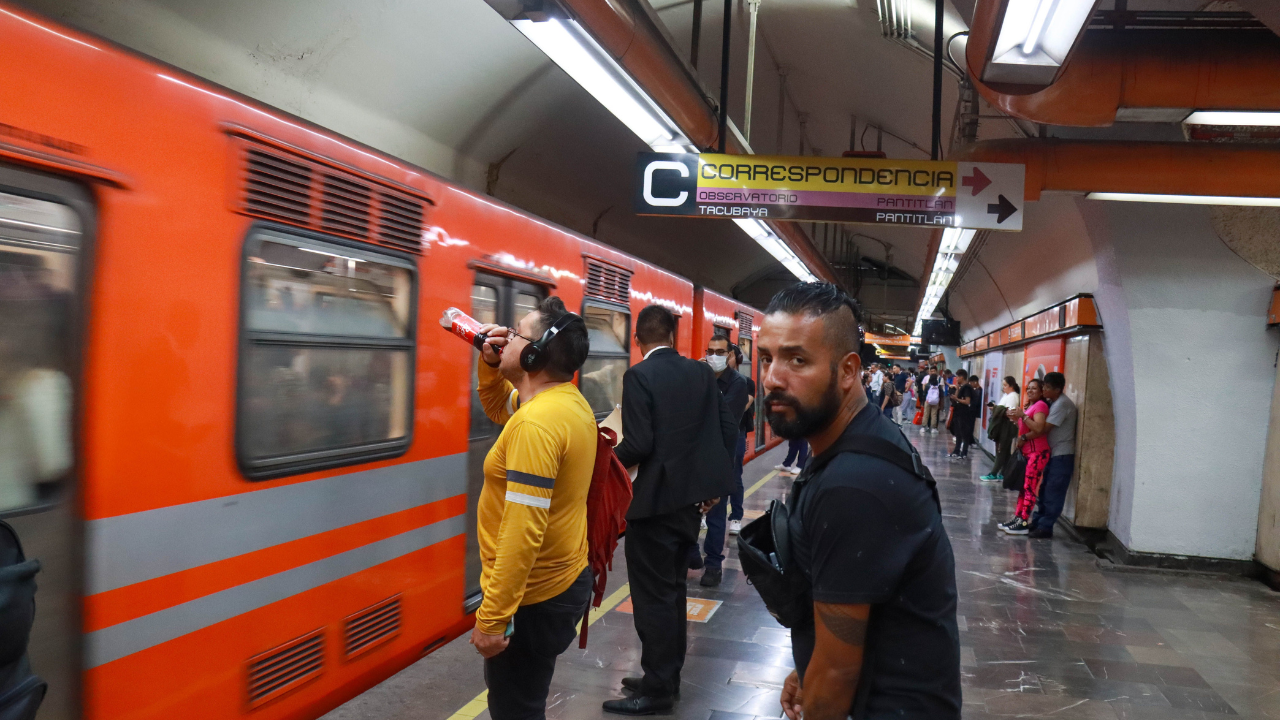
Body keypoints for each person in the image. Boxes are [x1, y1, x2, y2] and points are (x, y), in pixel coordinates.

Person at [756, 282, 960, 720]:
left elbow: (838, 671)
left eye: (797, 360)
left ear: (848, 371)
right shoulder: (861, 444)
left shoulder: (853, 485)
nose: (773, 378)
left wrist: (821, 671)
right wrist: (812, 662)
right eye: (766, 359)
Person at [605, 305, 736, 714]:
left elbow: (639, 445)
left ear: (637, 339)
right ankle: (665, 676)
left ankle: (658, 690)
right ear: (674, 338)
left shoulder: (639, 376)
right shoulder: (700, 373)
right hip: (688, 509)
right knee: (674, 593)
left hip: (654, 507)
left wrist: (602, 459)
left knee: (653, 600)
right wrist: (714, 487)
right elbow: (727, 428)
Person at [470, 297, 596, 720]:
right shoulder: (566, 401)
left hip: (533, 598)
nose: (504, 336)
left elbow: (522, 530)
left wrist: (493, 617)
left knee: (515, 709)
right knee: (525, 702)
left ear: (533, 353)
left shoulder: (535, 425)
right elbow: (496, 408)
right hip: (561, 580)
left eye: (517, 331)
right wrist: (490, 366)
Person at [692, 334, 750, 586]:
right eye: (710, 350)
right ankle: (691, 553)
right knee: (691, 509)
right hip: (695, 454)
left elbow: (721, 418)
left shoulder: (738, 383)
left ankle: (714, 564)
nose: (713, 356)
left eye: (719, 352)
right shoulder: (699, 378)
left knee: (715, 512)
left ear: (728, 356)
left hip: (720, 457)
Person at [1029, 373, 1078, 539]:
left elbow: (1042, 428)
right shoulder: (1053, 403)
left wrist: (1024, 422)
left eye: (1047, 388)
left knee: (1053, 491)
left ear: (1057, 389)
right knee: (1044, 490)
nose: (1044, 390)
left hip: (1062, 455)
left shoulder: (1062, 404)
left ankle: (1045, 526)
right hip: (1053, 454)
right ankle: (1038, 521)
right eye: (1043, 386)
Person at [999, 378, 1051, 536]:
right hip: (1028, 453)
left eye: (1034, 388)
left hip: (1038, 453)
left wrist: (1023, 416)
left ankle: (1023, 521)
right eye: (1028, 388)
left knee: (1029, 487)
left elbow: (1039, 429)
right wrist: (1016, 419)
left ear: (1042, 390)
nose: (1030, 391)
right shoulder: (1032, 406)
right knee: (1024, 486)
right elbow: (1027, 427)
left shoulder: (1041, 405)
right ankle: (1017, 517)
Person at [729, 344, 755, 536]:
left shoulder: (747, 382)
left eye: (727, 355)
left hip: (737, 433)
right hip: (715, 434)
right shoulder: (710, 380)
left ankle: (736, 516)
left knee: (735, 474)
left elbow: (744, 405)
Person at [979, 377, 1020, 482]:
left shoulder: (1013, 396)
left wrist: (996, 409)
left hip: (1006, 427)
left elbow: (1009, 412)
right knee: (1005, 452)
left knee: (1001, 451)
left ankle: (993, 473)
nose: (1003, 387)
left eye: (1005, 385)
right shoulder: (1007, 396)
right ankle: (1003, 472)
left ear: (1011, 386)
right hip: (1002, 426)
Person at [946, 370, 970, 457]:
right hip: (958, 412)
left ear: (962, 377)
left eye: (957, 377)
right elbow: (957, 396)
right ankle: (957, 450)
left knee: (963, 432)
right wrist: (957, 388)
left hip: (964, 413)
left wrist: (957, 399)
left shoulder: (967, 387)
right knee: (958, 432)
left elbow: (967, 401)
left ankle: (964, 452)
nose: (956, 379)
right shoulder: (961, 387)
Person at [921, 368, 942, 434]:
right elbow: (941, 394)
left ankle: (924, 427)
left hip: (927, 401)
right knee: (934, 415)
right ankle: (933, 428)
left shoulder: (928, 385)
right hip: (936, 402)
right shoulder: (938, 386)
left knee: (926, 414)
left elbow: (924, 394)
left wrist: (923, 402)